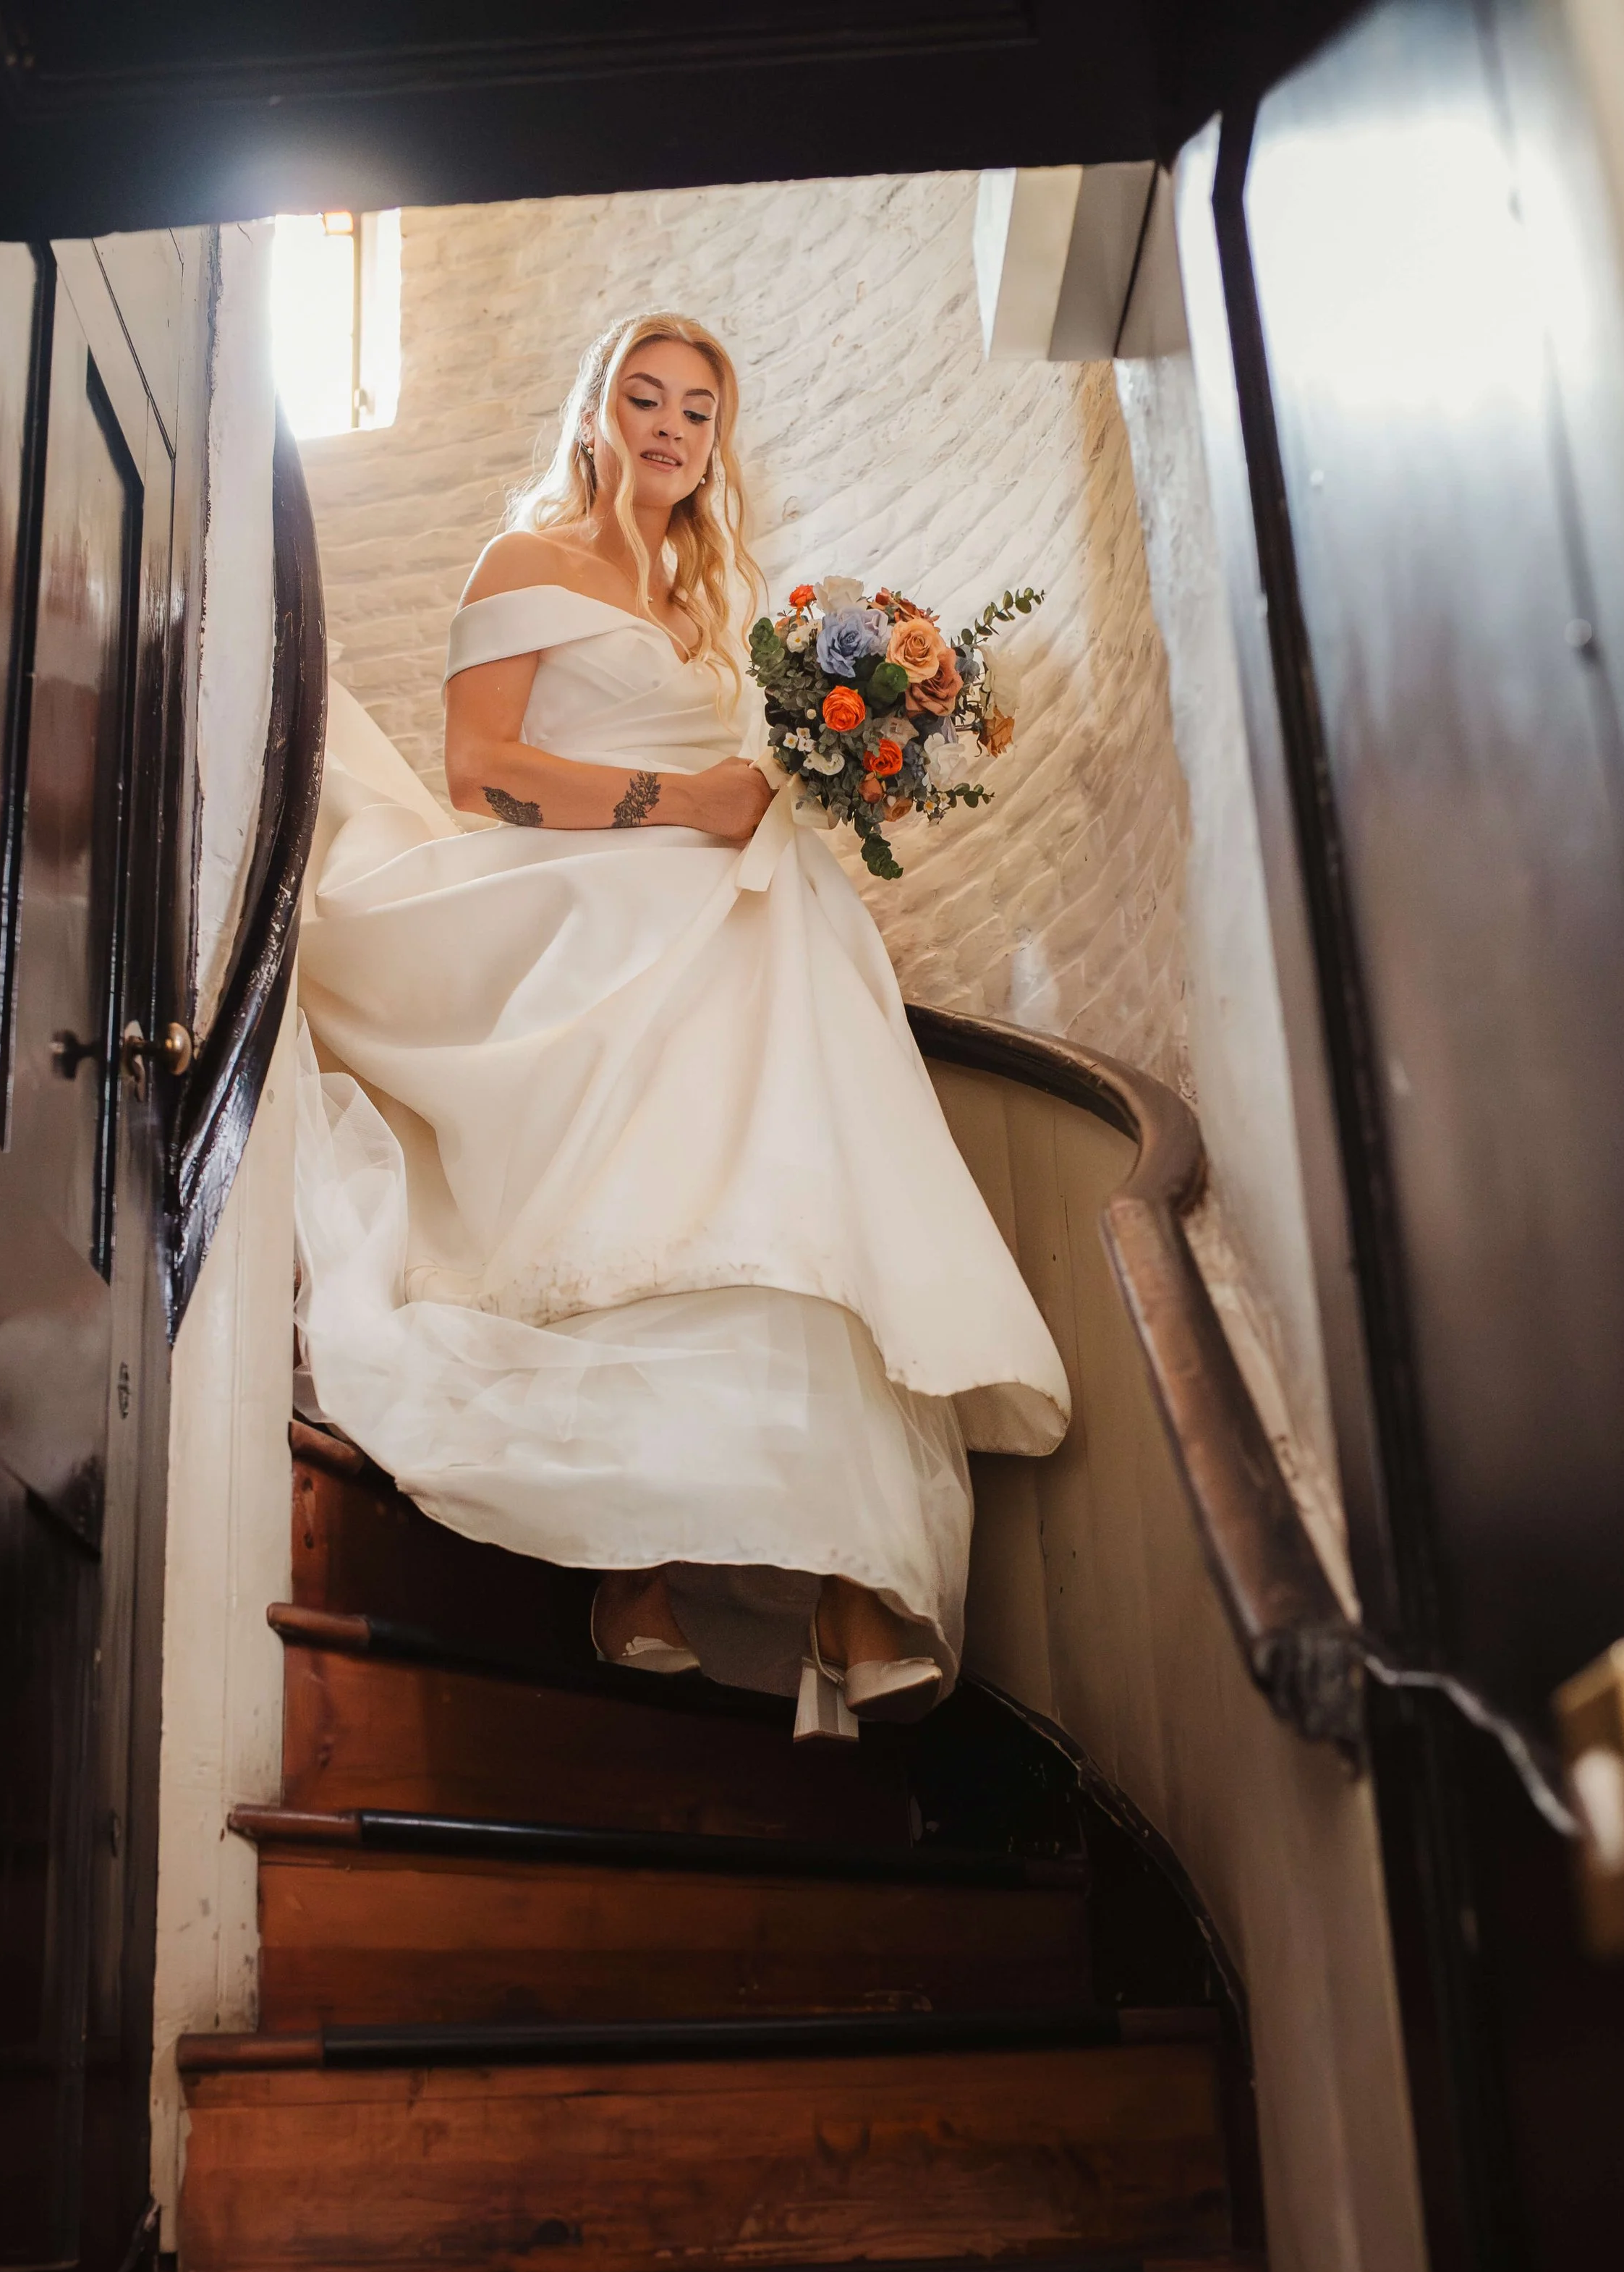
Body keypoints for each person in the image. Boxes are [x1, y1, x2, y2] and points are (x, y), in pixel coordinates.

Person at [294, 310, 1069, 1740]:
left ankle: (847, 1567)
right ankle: (633, 1557)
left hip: (739, 905)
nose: (665, 426)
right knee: (696, 1107)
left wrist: (831, 778)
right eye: (641, 399)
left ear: (716, 439)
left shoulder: (727, 602)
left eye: (695, 410)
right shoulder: (524, 563)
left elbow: (751, 772)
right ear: (594, 413)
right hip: (588, 886)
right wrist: (680, 804)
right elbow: (477, 773)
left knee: (792, 1161)